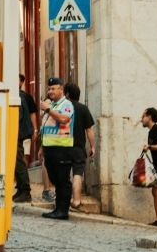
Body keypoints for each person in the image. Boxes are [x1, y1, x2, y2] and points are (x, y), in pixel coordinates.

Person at [38, 76, 74, 220]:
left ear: (61, 89)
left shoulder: (66, 104)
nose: (50, 91)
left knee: (62, 181)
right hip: (50, 148)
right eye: (49, 88)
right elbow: (45, 128)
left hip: (62, 148)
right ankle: (58, 208)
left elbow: (64, 119)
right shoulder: (53, 105)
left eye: (53, 88)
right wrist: (42, 148)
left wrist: (47, 109)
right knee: (56, 180)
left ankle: (62, 210)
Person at [64, 82, 96, 211]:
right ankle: (76, 201)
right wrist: (92, 146)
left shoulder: (62, 108)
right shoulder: (83, 109)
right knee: (77, 173)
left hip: (63, 146)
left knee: (64, 174)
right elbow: (89, 130)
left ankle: (62, 200)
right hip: (78, 147)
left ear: (67, 94)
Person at [14, 74, 38, 203]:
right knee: (17, 160)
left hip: (20, 133)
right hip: (20, 132)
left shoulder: (23, 97)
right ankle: (20, 188)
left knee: (19, 160)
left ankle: (25, 190)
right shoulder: (18, 95)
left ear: (22, 82)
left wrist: (34, 129)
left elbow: (32, 113)